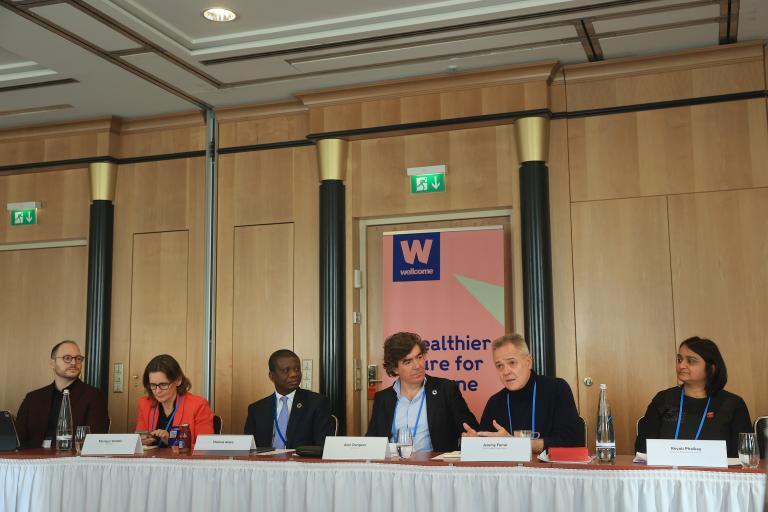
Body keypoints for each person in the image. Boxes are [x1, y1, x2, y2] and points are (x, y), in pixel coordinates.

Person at [463, 334, 583, 453]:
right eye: (499, 366)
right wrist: (476, 443)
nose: (505, 371)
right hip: (508, 472)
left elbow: (572, 442)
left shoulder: (557, 389)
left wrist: (512, 444)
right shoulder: (495, 402)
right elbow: (486, 449)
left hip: (550, 470)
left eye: (512, 363)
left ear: (528, 362)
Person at [635, 336, 751, 457]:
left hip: (717, 475)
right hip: (667, 474)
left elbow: (744, 455)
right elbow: (643, 448)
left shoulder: (733, 404)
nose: (681, 366)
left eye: (690, 361)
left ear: (711, 368)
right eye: (679, 360)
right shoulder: (663, 399)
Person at [366, 332, 479, 452]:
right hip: (395, 467)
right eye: (408, 362)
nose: (417, 365)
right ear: (394, 368)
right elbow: (372, 440)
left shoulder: (445, 389)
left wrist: (472, 437)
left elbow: (473, 430)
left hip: (435, 467)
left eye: (419, 357)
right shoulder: (383, 398)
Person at [15, 340, 109, 449]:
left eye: (78, 358)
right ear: (52, 363)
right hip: (34, 460)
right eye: (67, 358)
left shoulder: (94, 396)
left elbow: (95, 440)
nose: (74, 363)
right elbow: (18, 438)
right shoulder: (33, 398)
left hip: (73, 461)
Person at [244, 349, 335, 448]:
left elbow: (323, 446)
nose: (294, 374)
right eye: (286, 370)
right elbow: (249, 447)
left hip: (301, 462)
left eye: (297, 369)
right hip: (265, 462)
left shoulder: (317, 403)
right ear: (271, 376)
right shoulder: (257, 409)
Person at [135, 354, 213, 448]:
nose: (158, 391)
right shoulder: (144, 404)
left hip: (183, 462)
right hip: (151, 461)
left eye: (163, 385)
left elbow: (205, 447)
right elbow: (139, 441)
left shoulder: (198, 405)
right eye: (153, 385)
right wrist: (142, 442)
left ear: (178, 380)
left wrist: (173, 441)